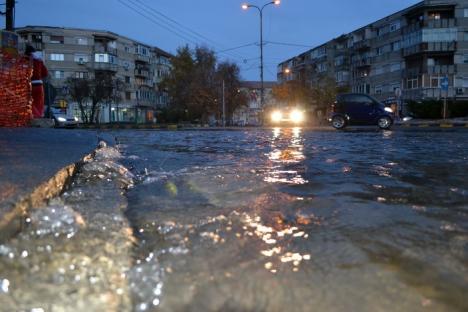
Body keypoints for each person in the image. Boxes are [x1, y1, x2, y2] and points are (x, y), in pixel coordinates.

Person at [25, 45, 48, 118]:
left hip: (29, 84)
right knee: (39, 102)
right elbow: (45, 73)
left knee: (29, 102)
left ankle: (33, 116)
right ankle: (39, 116)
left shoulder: (25, 59)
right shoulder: (39, 60)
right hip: (39, 84)